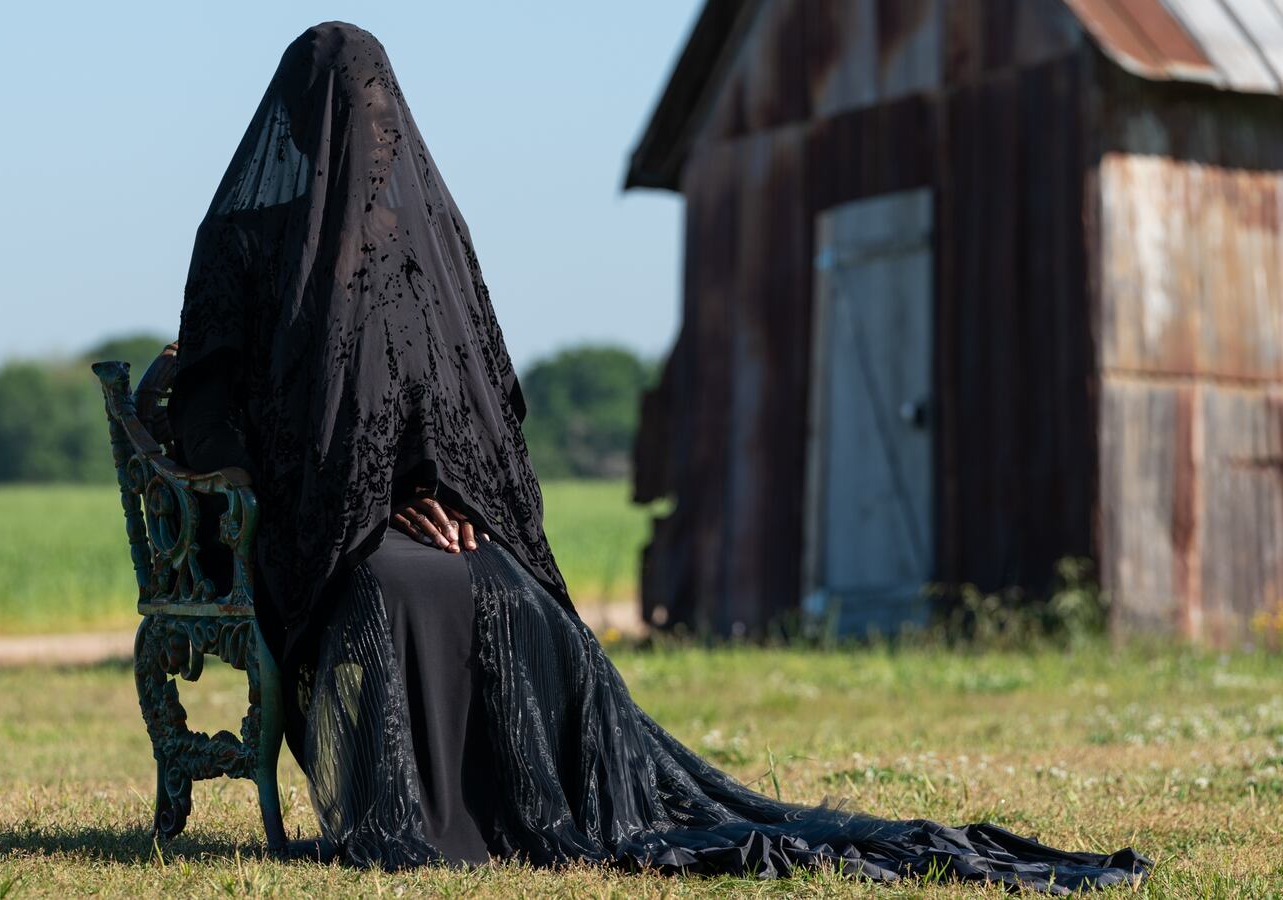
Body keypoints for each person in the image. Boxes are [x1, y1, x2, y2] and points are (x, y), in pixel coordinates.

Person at [170, 21, 1149, 891]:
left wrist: (444, 491)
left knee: (516, 599)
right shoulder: (243, 243)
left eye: (380, 111)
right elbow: (209, 409)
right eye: (348, 112)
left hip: (425, 513)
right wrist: (341, 501)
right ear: (298, 124)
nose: (368, 131)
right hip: (315, 531)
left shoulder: (422, 238)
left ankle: (512, 812)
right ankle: (412, 819)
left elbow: (469, 403)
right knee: (393, 592)